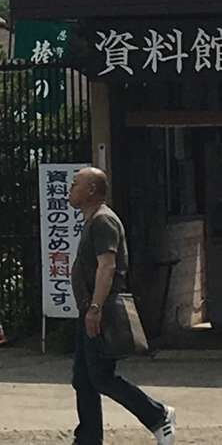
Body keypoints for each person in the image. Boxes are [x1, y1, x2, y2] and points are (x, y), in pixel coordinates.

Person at [68, 167, 175, 445]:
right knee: (83, 378)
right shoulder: (93, 220)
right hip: (89, 310)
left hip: (100, 311)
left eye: (76, 184)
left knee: (102, 377)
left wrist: (95, 308)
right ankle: (88, 439)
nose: (70, 188)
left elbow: (107, 266)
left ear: (91, 190)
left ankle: (158, 415)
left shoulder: (104, 221)